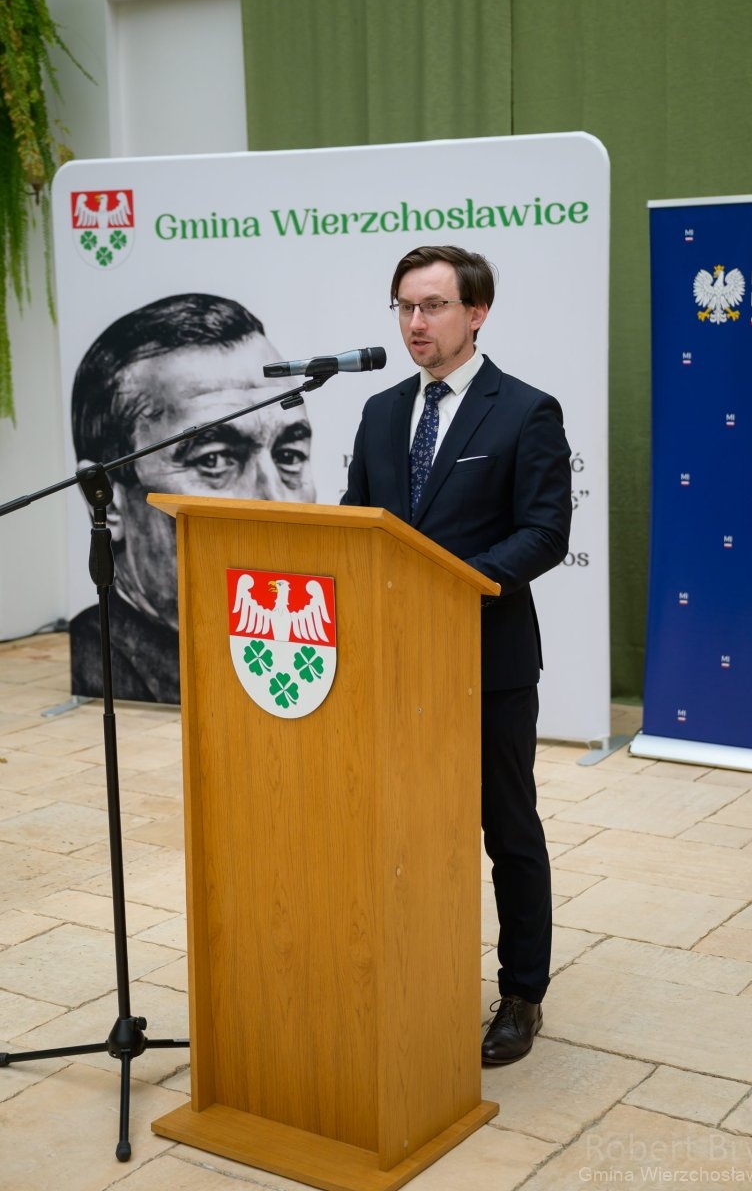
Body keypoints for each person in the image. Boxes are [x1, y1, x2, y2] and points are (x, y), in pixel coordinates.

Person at [342, 245, 572, 1065]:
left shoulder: (525, 411)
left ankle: (522, 994)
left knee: (507, 828)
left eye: (433, 306)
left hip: (487, 662)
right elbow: (358, 523)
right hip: (393, 665)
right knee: (404, 825)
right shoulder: (379, 412)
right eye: (405, 307)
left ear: (476, 314)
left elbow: (545, 532)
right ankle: (418, 970)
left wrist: (450, 586)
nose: (416, 323)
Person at [70, 292, 315, 704]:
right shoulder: (105, 664)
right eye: (214, 460)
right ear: (107, 501)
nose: (276, 501)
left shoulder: (294, 651)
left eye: (289, 456)